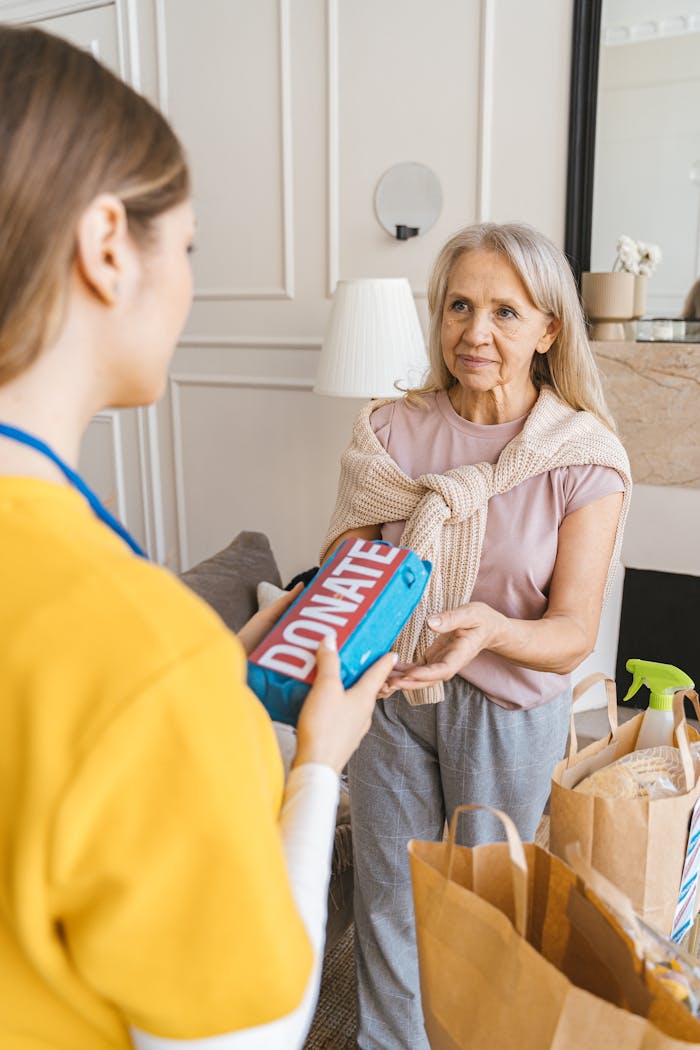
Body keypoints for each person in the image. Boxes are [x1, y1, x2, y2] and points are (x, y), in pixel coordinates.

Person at [0, 25, 397, 1050]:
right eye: (186, 248)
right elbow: (246, 1037)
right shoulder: (140, 651)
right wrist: (317, 762)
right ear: (101, 246)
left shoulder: (156, 663)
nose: (186, 284)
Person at [321, 221, 632, 1049]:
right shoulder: (390, 433)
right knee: (390, 898)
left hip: (507, 710)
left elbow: (570, 634)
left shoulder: (581, 457)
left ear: (549, 330)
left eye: (504, 311)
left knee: (486, 911)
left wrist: (490, 629)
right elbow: (345, 573)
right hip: (396, 694)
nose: (476, 332)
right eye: (460, 306)